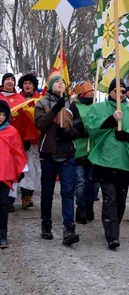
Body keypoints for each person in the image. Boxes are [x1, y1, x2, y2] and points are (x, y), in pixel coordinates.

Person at [86, 78, 129, 249]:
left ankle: (114, 227)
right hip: (106, 161)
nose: (121, 94)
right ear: (111, 91)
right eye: (118, 90)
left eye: (123, 91)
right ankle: (112, 235)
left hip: (125, 162)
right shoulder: (98, 108)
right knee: (109, 199)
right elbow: (91, 127)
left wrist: (128, 135)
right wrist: (111, 120)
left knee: (120, 200)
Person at [34, 74, 83, 245]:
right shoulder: (41, 103)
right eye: (57, 82)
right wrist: (56, 110)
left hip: (67, 153)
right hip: (48, 154)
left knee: (67, 191)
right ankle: (46, 223)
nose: (60, 84)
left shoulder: (71, 104)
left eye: (63, 82)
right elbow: (40, 125)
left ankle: (69, 228)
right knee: (47, 191)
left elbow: (79, 128)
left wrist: (67, 133)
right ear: (51, 85)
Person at [71, 81, 99, 225]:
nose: (92, 93)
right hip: (79, 150)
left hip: (95, 150)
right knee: (80, 181)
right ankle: (80, 207)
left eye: (93, 90)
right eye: (89, 91)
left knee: (93, 181)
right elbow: (72, 126)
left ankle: (90, 205)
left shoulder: (98, 107)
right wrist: (85, 130)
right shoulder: (74, 106)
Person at [0, 100, 27, 248]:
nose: (1, 117)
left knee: (3, 204)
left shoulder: (11, 132)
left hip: (5, 175)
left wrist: (20, 170)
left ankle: (2, 234)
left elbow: (18, 153)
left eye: (4, 114)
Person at [0, 72, 26, 212]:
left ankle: (10, 198)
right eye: (7, 79)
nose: (9, 81)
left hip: (15, 137)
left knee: (14, 169)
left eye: (12, 79)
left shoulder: (20, 98)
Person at [17, 73, 42, 209]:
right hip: (22, 140)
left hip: (38, 140)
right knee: (26, 168)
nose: (27, 85)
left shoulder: (40, 100)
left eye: (30, 83)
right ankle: (25, 196)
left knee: (37, 169)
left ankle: (30, 192)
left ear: (34, 86)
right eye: (25, 83)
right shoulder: (17, 100)